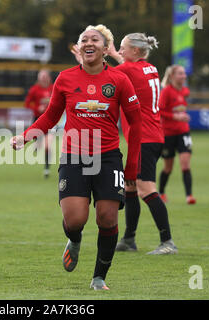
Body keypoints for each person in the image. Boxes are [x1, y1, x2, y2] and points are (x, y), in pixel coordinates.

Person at [11, 25, 142, 290]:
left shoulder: (119, 80)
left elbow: (136, 125)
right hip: (74, 156)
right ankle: (74, 239)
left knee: (107, 218)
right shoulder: (65, 78)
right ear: (79, 47)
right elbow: (50, 116)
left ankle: (98, 278)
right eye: (84, 39)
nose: (88, 42)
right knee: (75, 220)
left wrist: (131, 170)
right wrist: (25, 137)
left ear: (106, 49)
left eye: (95, 39)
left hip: (107, 158)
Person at [72, 33, 178, 255]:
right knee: (129, 186)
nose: (119, 52)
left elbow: (102, 74)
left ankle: (167, 242)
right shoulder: (149, 68)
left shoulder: (129, 70)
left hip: (145, 138)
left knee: (145, 188)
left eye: (122, 48)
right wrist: (110, 53)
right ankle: (129, 239)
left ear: (136, 51)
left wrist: (84, 61)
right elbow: (125, 67)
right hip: (153, 135)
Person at [158, 65, 196, 205]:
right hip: (168, 134)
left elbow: (181, 108)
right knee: (168, 167)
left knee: (185, 164)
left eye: (184, 73)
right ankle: (161, 192)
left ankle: (189, 196)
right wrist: (176, 117)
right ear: (173, 76)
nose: (184, 76)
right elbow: (159, 111)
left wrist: (182, 117)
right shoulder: (167, 92)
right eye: (180, 73)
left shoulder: (185, 91)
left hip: (183, 132)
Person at [24, 69, 54, 178]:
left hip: (51, 120)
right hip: (37, 120)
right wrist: (37, 108)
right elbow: (27, 104)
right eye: (41, 76)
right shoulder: (34, 90)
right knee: (40, 143)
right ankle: (37, 144)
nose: (43, 78)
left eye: (45, 76)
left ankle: (46, 169)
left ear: (48, 77)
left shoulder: (53, 88)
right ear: (38, 78)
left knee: (48, 145)